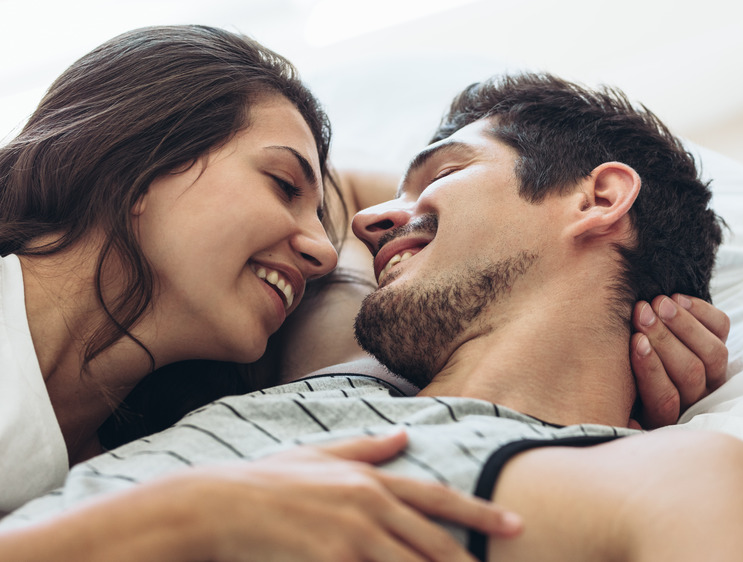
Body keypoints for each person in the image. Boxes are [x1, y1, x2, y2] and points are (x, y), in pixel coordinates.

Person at [3, 72, 743, 561]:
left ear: (601, 196)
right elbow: (298, 189)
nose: (348, 237)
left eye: (441, 172)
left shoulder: (671, 477)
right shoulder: (333, 355)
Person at [0, 25, 525, 561]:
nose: (323, 251)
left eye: (320, 218)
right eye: (282, 185)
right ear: (137, 160)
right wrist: (179, 516)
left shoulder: (118, 459)